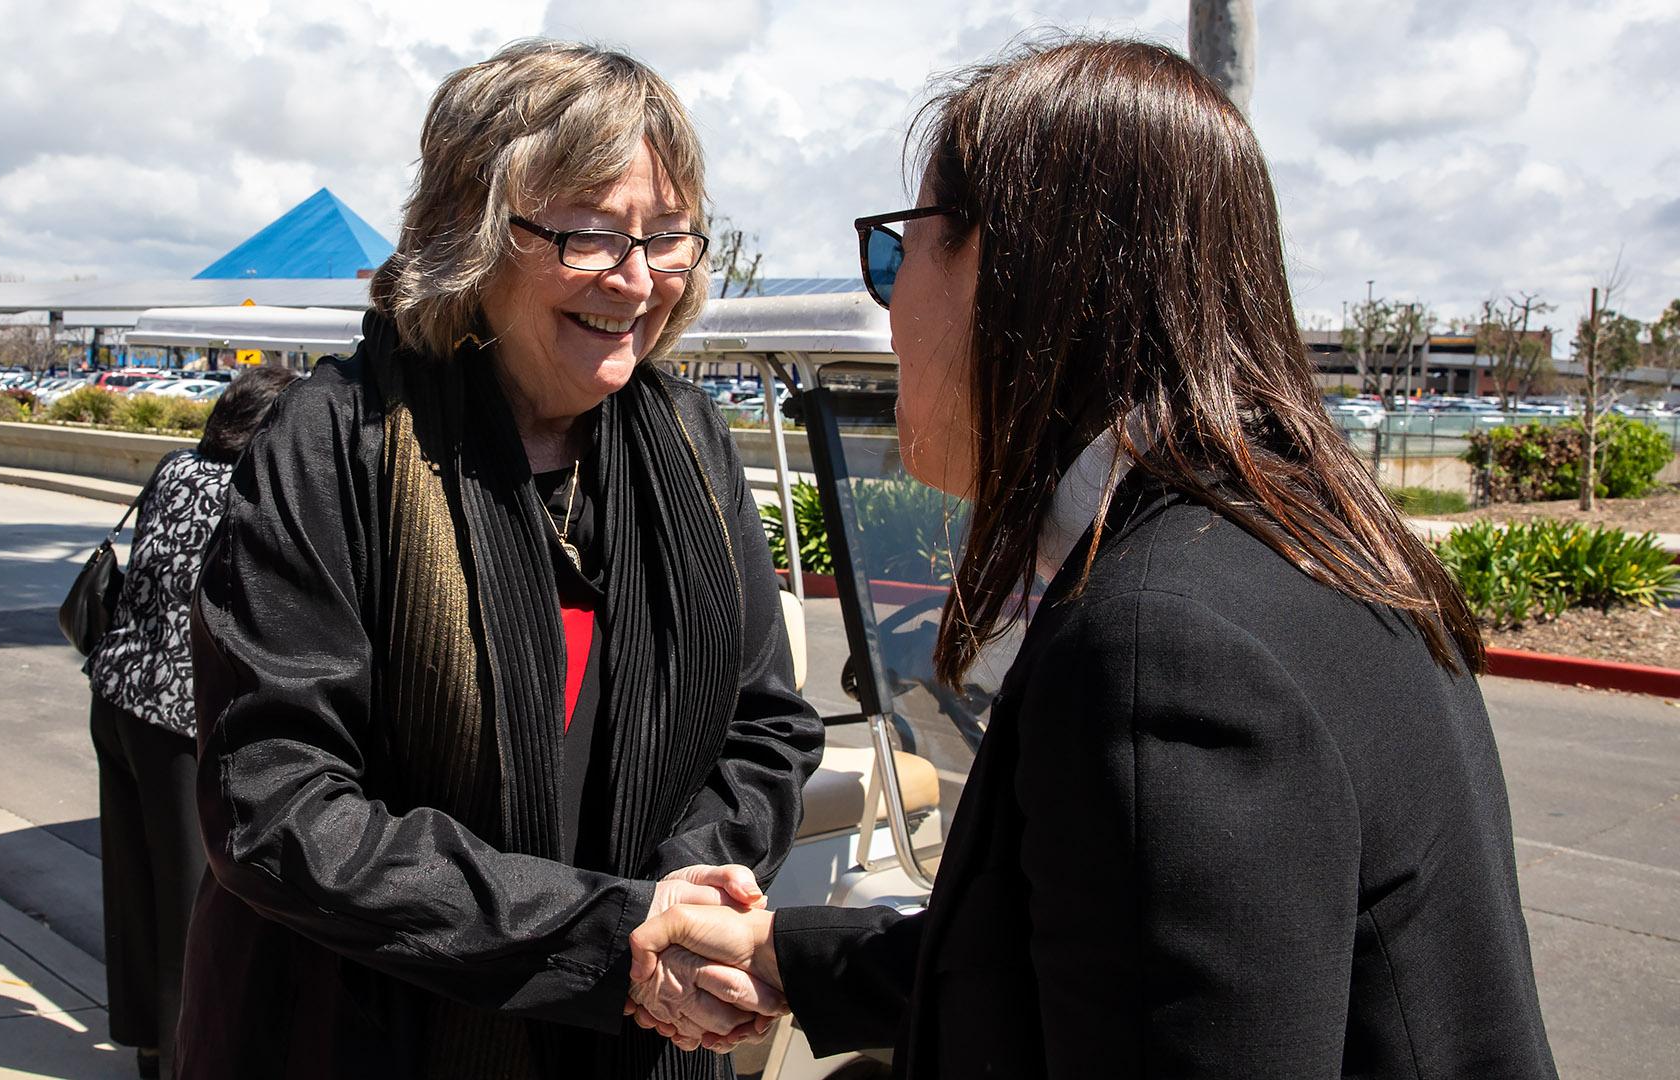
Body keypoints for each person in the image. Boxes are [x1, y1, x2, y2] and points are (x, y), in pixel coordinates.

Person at [628, 38, 1560, 1078]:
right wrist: (790, 960)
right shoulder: (1313, 544)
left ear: (1019, 265)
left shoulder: (1160, 650)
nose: (889, 306)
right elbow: (1102, 950)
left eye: (901, 251)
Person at [175, 40, 822, 1080]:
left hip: (636, 1038)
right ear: (472, 231)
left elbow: (767, 728)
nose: (638, 277)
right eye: (591, 234)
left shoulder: (690, 443)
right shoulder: (335, 443)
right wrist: (606, 936)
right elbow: (276, 806)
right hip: (360, 1037)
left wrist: (681, 919)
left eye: (667, 237)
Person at [85, 365, 299, 1079]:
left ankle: (147, 1038)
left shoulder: (178, 466)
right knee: (188, 902)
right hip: (177, 711)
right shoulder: (251, 490)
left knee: (136, 884)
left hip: (116, 693)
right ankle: (180, 1061)